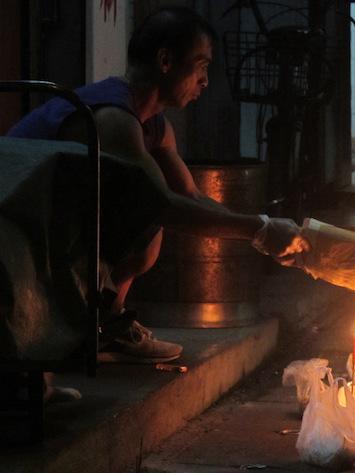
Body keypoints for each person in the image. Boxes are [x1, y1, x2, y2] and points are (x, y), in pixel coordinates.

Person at [7, 7, 309, 364]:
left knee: (147, 227)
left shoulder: (156, 126)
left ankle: (105, 325)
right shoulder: (113, 119)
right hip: (16, 233)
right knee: (148, 217)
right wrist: (258, 229)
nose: (205, 81)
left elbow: (190, 195)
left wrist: (263, 229)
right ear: (166, 61)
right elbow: (163, 204)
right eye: (201, 66)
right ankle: (95, 329)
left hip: (56, 230)